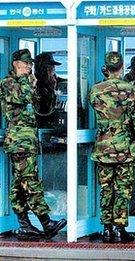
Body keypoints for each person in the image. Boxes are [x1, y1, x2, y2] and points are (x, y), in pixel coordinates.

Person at [0, 49, 66, 240]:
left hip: (27, 140)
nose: (29, 66)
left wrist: (49, 87)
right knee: (30, 181)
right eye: (26, 63)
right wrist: (30, 82)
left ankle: (24, 224)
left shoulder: (28, 83)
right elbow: (21, 97)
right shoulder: (8, 82)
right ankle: (46, 222)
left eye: (30, 63)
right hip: (19, 141)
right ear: (15, 64)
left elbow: (40, 108)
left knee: (19, 185)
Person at [89, 51, 135, 243]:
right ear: (122, 67)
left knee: (106, 189)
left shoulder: (95, 90)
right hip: (124, 148)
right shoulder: (130, 89)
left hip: (103, 147)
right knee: (122, 190)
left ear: (106, 68)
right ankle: (120, 228)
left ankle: (106, 229)